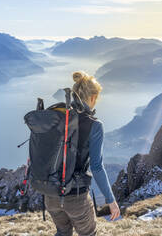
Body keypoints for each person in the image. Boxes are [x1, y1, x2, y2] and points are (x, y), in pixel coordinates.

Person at [44, 70, 120, 236]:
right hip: (75, 197)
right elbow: (97, 167)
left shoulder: (56, 115)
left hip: (50, 195)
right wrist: (111, 200)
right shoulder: (94, 125)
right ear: (92, 97)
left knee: (63, 232)